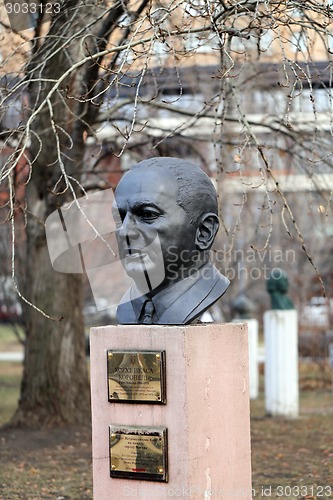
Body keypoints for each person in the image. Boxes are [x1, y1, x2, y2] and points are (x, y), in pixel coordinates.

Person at [113, 156, 230, 324]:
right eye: (120, 217)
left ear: (204, 232)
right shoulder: (127, 308)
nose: (124, 232)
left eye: (147, 215)